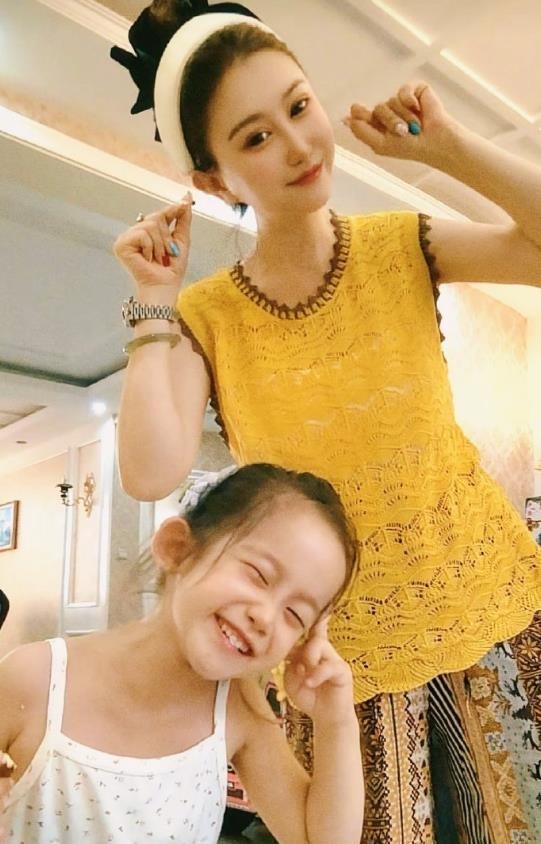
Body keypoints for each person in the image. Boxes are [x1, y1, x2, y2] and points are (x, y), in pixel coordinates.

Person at [111, 2, 541, 840]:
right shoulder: (208, 316)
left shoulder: (400, 244)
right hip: (341, 663)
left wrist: (450, 149)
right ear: (214, 180)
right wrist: (153, 302)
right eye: (254, 137)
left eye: (298, 107)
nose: (297, 144)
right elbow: (149, 470)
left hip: (490, 607)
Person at [0, 464, 362, 844]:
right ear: (178, 549)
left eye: (295, 615)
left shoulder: (237, 708)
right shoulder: (33, 679)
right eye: (258, 575)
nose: (266, 618)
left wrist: (336, 720)